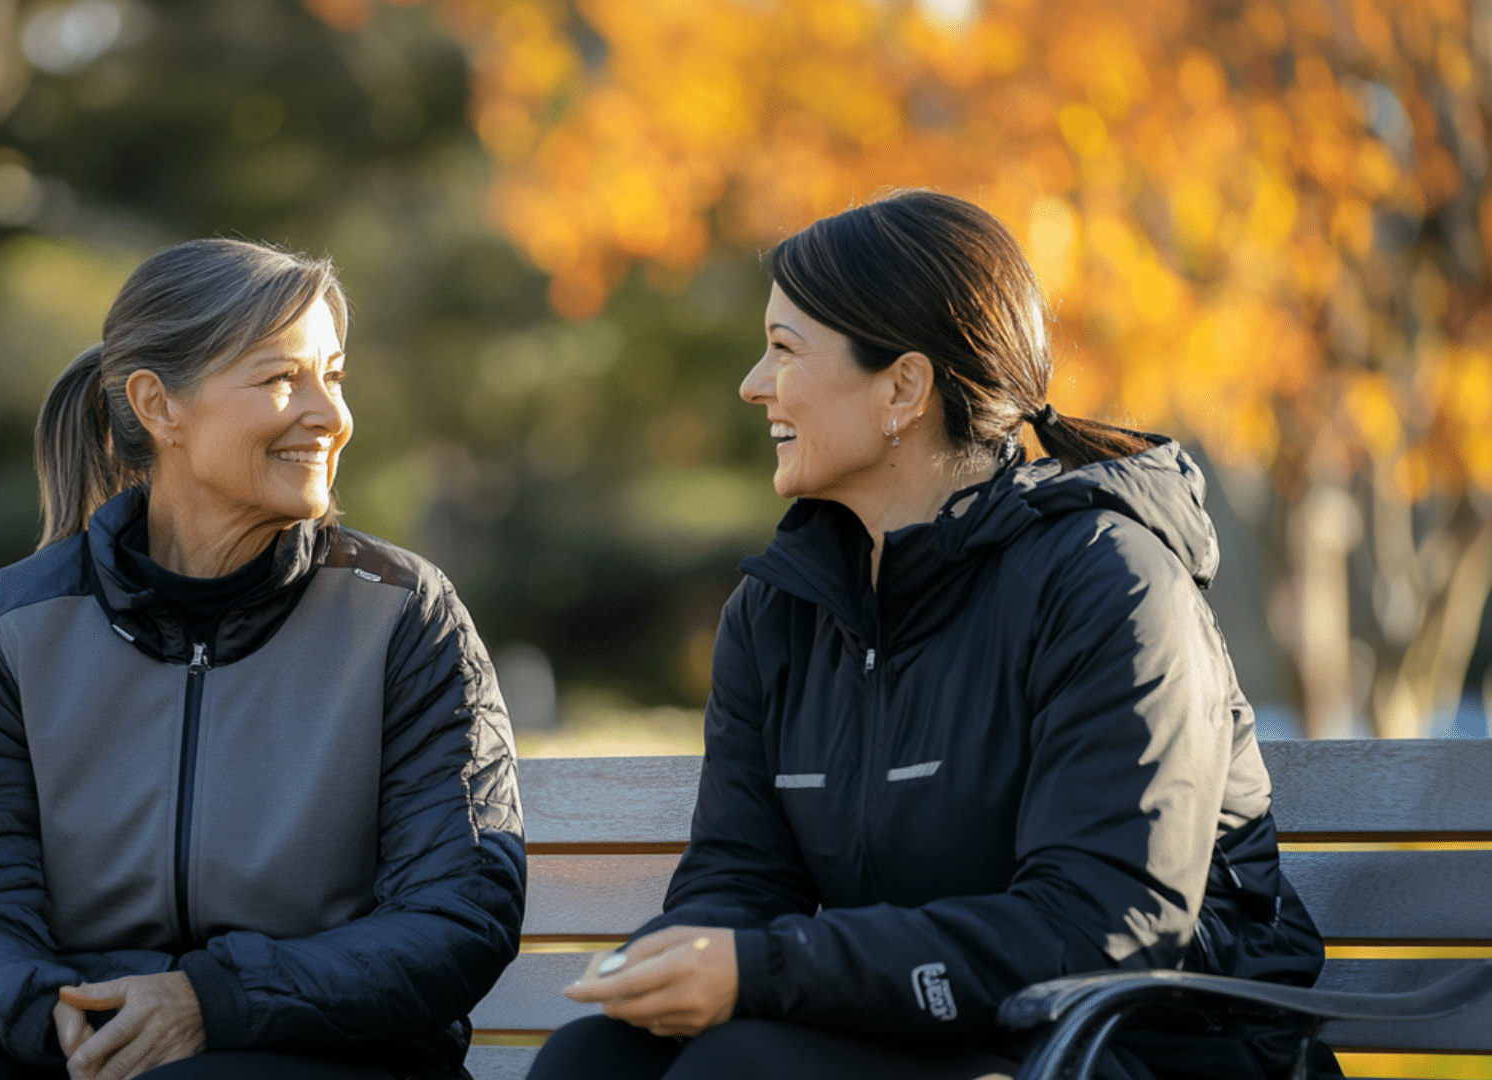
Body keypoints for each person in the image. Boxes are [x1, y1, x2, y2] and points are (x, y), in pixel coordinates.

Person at [528, 191, 1333, 1080]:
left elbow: (1103, 924)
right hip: (929, 1033)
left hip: (1133, 1045)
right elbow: (743, 878)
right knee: (591, 1064)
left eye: (784, 349)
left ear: (904, 389)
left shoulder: (1108, 582)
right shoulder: (780, 613)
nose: (754, 384)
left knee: (746, 1068)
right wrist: (670, 962)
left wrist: (768, 973)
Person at [0, 239, 525, 1080]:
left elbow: (456, 913)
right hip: (84, 1040)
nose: (331, 415)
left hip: (334, 1050)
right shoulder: (8, 632)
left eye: (332, 377)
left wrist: (209, 1002)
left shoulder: (405, 618)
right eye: (281, 380)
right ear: (161, 407)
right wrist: (62, 1020)